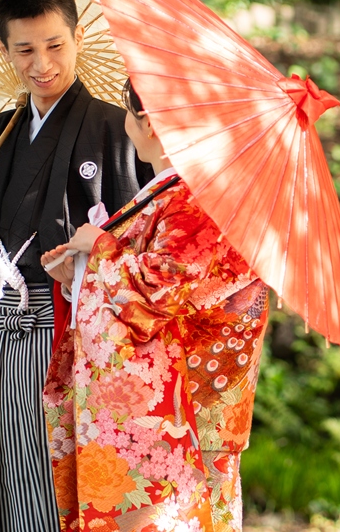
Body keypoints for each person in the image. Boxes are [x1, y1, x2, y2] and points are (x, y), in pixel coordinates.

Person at [0, 0, 151, 531]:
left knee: (57, 486)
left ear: (78, 39)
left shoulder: (118, 133)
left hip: (71, 343)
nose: (42, 64)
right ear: (5, 49)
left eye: (55, 45)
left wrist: (92, 263)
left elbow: (149, 247)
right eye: (25, 49)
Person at [40, 79, 269, 532]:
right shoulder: (186, 191)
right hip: (188, 399)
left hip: (187, 404)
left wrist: (100, 247)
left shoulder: (195, 200)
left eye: (129, 112)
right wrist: (79, 275)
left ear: (147, 122)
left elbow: (157, 294)